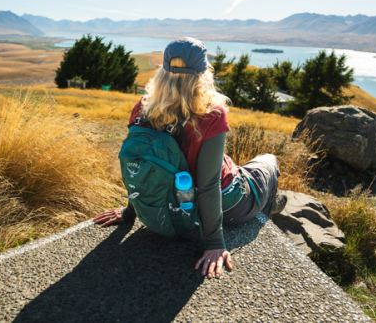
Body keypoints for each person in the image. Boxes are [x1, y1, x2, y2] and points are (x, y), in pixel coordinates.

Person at [94, 37, 286, 279]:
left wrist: (131, 210)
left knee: (234, 163)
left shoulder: (143, 108)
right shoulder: (212, 115)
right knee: (269, 160)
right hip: (229, 205)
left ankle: (268, 203)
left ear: (163, 72)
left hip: (175, 202)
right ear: (202, 74)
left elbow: (142, 163)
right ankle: (271, 206)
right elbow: (208, 186)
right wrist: (215, 243)